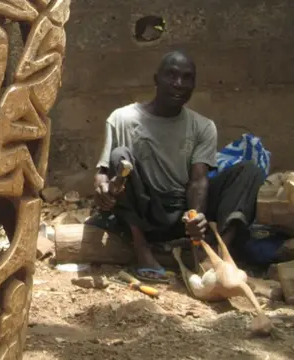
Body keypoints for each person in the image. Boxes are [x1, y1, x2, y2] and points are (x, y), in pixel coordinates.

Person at [93, 50, 264, 283]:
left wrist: (196, 218)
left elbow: (198, 180)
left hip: (182, 210)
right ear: (156, 79)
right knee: (120, 155)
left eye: (187, 78)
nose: (178, 84)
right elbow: (104, 172)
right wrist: (102, 189)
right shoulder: (122, 118)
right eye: (171, 75)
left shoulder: (202, 126)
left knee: (249, 171)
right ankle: (141, 248)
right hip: (145, 209)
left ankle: (216, 251)